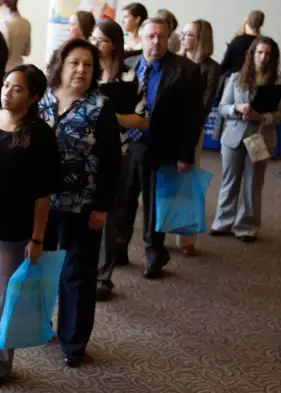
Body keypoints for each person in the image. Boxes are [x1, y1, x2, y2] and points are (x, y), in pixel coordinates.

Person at [0, 65, 60, 388]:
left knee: (5, 298)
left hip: (13, 228)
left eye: (17, 88)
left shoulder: (41, 136)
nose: (7, 92)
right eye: (5, 85)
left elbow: (43, 194)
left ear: (33, 96)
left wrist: (37, 238)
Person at [39, 38, 121, 367]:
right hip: (41, 203)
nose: (81, 70)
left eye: (88, 65)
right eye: (75, 63)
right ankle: (39, 325)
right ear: (61, 64)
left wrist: (102, 206)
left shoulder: (100, 106)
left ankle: (73, 342)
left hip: (82, 205)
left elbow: (112, 162)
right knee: (41, 268)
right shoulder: (40, 99)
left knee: (77, 274)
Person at [116, 18, 204, 280]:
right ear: (141, 38)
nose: (157, 42)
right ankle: (119, 249)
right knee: (125, 201)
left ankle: (155, 256)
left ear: (169, 39)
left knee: (156, 206)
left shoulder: (185, 70)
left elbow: (193, 117)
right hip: (129, 146)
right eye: (152, 36)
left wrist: (185, 154)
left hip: (162, 147)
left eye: (162, 37)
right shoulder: (127, 65)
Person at [90, 19, 148, 301]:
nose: (95, 45)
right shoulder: (83, 71)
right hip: (81, 153)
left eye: (100, 40)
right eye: (92, 38)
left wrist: (109, 119)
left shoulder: (128, 76)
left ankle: (103, 276)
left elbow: (141, 120)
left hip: (117, 152)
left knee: (109, 213)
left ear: (114, 44)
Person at [212, 37, 281, 242]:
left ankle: (246, 227)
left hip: (260, 138)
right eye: (259, 52)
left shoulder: (278, 82)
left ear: (273, 58)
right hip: (234, 136)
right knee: (229, 181)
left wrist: (262, 117)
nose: (262, 58)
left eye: (267, 54)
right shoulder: (236, 78)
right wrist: (237, 108)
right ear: (251, 54)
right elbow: (222, 108)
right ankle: (222, 222)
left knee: (253, 185)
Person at [175, 19, 220, 256]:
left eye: (189, 34)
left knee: (188, 185)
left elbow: (204, 105)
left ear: (201, 38)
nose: (183, 37)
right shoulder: (175, 62)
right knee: (166, 183)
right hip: (169, 130)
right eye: (183, 33)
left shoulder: (211, 68)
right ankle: (161, 232)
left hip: (191, 130)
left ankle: (186, 238)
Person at [220, 10, 264, 77]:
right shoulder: (264, 43)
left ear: (247, 22)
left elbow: (224, 66)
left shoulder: (237, 41)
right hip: (255, 81)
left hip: (234, 81)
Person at [0, 0, 31, 71]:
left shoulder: (4, 25)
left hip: (4, 72)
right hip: (19, 70)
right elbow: (27, 52)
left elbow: (2, 54)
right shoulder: (26, 23)